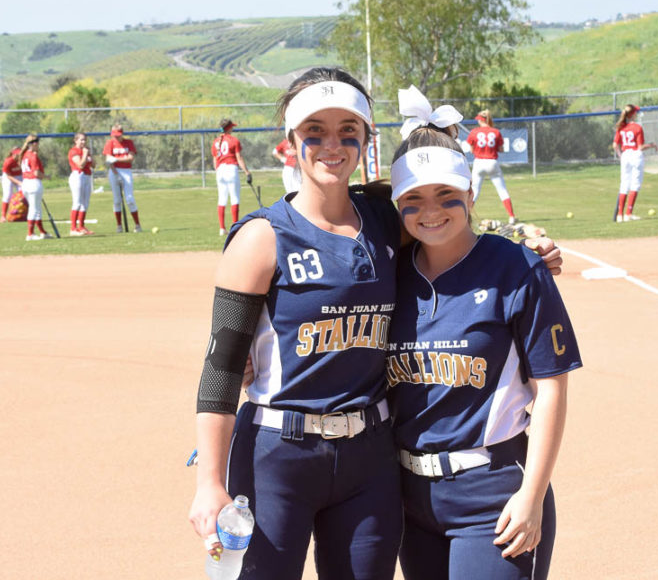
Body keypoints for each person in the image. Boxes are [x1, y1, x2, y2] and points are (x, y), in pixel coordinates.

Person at [187, 68, 564, 580]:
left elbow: (443, 222)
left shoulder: (386, 220)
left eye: (349, 130)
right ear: (290, 140)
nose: (332, 144)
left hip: (369, 458)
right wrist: (209, 480)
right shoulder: (261, 238)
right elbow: (222, 368)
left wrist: (522, 239)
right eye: (314, 131)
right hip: (277, 457)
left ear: (367, 139)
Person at [386, 88, 581, 580]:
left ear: (471, 194)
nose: (431, 211)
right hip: (409, 498)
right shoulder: (389, 276)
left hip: (493, 495)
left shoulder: (516, 268)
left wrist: (532, 494)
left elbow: (552, 387)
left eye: (447, 196)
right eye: (414, 199)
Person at [466, 109, 516, 224]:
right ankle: (511, 216)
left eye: (478, 120)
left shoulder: (474, 132)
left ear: (481, 120)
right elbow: (501, 149)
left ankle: (466, 216)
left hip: (479, 162)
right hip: (492, 161)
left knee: (475, 191)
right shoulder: (496, 132)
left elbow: (471, 149)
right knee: (502, 190)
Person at [612, 104, 656, 222]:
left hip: (625, 155)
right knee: (635, 184)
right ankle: (628, 213)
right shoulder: (637, 127)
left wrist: (620, 155)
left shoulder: (621, 127)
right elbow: (640, 146)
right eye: (636, 112)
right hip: (635, 155)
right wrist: (651, 145)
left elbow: (615, 145)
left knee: (624, 184)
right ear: (633, 114)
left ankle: (620, 215)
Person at [212, 118, 250, 236]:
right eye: (232, 127)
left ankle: (222, 228)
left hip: (220, 170)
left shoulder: (216, 141)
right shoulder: (233, 140)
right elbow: (239, 158)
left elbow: (215, 159)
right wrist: (247, 172)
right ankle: (235, 226)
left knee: (222, 198)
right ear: (228, 128)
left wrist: (217, 170)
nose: (233, 128)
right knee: (234, 198)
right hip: (231, 168)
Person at [103, 124, 142, 233]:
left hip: (126, 171)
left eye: (118, 135)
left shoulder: (128, 143)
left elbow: (130, 158)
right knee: (117, 200)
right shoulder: (109, 143)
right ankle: (119, 226)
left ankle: (137, 225)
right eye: (114, 135)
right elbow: (108, 160)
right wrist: (115, 173)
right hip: (114, 172)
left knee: (129, 199)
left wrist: (115, 159)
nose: (116, 137)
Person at [18, 133, 52, 241]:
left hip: (26, 183)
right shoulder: (33, 155)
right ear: (34, 144)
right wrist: (46, 177)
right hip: (33, 183)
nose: (38, 144)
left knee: (36, 209)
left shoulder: (24, 155)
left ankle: (42, 232)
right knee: (34, 209)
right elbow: (37, 173)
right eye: (37, 142)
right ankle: (30, 234)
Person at [68, 132, 94, 236]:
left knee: (85, 203)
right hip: (77, 176)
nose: (83, 142)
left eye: (84, 140)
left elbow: (94, 164)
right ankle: (73, 228)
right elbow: (80, 165)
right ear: (76, 140)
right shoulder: (74, 151)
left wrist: (89, 154)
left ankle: (81, 227)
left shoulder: (85, 150)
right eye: (81, 139)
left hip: (87, 176)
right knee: (77, 202)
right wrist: (84, 154)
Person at [0, 146, 23, 223]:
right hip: (8, 177)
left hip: (19, 176)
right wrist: (19, 182)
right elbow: (8, 176)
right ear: (13, 154)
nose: (19, 155)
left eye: (19, 153)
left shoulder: (22, 159)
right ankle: (3, 216)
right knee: (7, 195)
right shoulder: (8, 161)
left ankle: (22, 214)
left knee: (24, 193)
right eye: (17, 154)